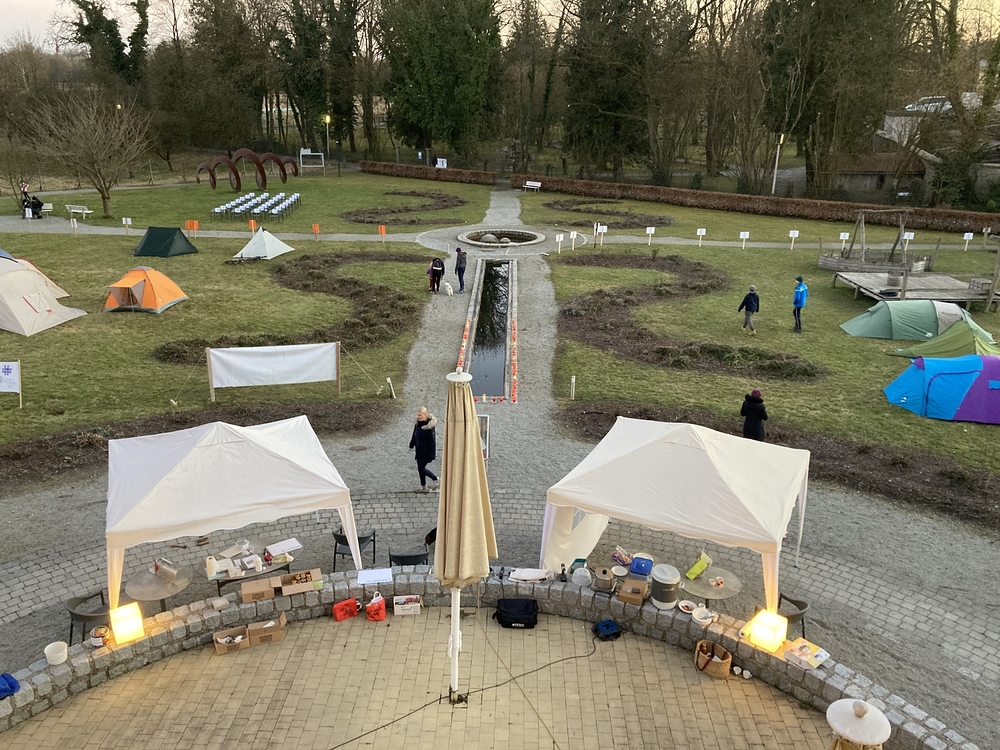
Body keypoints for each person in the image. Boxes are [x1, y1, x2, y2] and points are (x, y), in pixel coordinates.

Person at [409, 406, 438, 492]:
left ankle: (435, 478)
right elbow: (414, 434)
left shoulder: (429, 427)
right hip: (419, 450)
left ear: (425, 415)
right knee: (420, 469)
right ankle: (423, 485)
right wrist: (412, 444)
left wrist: (432, 454)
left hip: (426, 451)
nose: (418, 417)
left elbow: (432, 442)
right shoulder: (418, 424)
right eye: (417, 415)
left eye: (420, 415)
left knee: (421, 469)